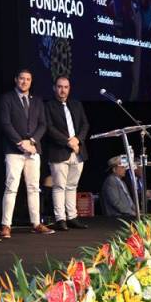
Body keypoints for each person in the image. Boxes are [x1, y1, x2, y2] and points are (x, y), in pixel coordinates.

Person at [0, 69, 52, 237]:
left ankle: (36, 223)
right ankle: (6, 225)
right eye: (22, 78)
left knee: (34, 188)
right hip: (14, 150)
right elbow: (5, 123)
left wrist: (32, 141)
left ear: (31, 81)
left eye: (28, 79)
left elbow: (43, 124)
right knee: (11, 187)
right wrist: (21, 143)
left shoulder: (37, 100)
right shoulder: (7, 98)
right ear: (16, 79)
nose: (24, 82)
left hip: (34, 149)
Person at [44, 76, 90, 231]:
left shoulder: (76, 104)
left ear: (69, 88)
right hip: (58, 151)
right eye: (59, 87)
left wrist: (78, 140)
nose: (62, 90)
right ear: (54, 88)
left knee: (72, 186)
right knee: (59, 186)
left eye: (65, 87)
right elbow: (49, 128)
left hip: (77, 151)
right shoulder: (48, 106)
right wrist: (67, 141)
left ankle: (72, 217)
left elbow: (85, 124)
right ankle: (60, 219)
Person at [100, 155, 137, 221]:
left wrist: (136, 210)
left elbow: (129, 200)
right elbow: (116, 202)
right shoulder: (111, 181)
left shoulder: (122, 182)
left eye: (125, 167)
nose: (125, 169)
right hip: (117, 217)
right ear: (114, 169)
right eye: (122, 167)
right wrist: (131, 212)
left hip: (127, 214)